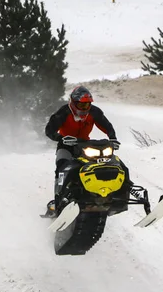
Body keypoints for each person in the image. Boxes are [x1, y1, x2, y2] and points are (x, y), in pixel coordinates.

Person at [44, 85, 121, 215]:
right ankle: (58, 201)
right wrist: (60, 138)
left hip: (85, 145)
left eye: (87, 105)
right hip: (66, 145)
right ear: (73, 103)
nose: (85, 108)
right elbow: (49, 130)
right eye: (82, 105)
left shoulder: (94, 112)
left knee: (112, 162)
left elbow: (106, 125)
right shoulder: (64, 112)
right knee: (62, 166)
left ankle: (117, 194)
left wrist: (112, 138)